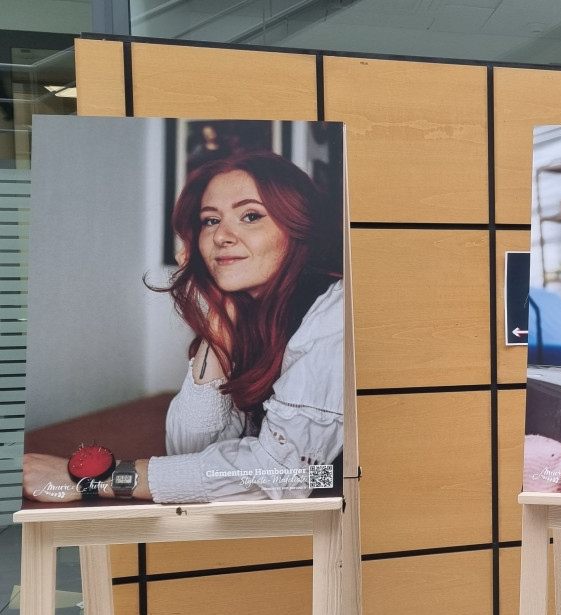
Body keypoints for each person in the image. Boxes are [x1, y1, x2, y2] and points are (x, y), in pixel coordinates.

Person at [23, 151, 343, 504]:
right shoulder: (251, 312)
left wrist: (95, 480)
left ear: (298, 229)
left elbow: (285, 475)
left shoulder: (334, 312)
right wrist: (218, 319)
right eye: (209, 221)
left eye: (250, 216)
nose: (222, 235)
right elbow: (190, 452)